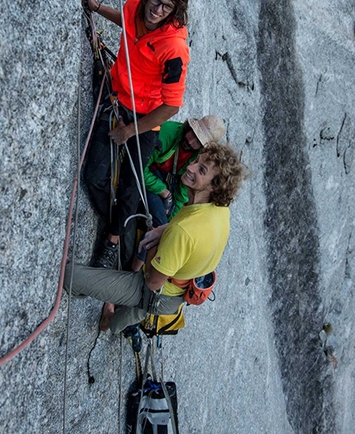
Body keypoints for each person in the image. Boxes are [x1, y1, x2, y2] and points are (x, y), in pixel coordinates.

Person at [64, 141, 248, 334]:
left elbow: (152, 282)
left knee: (70, 277)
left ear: (214, 188)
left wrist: (158, 244)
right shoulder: (220, 210)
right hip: (176, 291)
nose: (190, 167)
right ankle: (112, 324)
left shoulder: (184, 233)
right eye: (196, 161)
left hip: (156, 291)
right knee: (133, 313)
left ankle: (110, 319)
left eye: (201, 170)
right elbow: (191, 235)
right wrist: (164, 230)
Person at [82, 0, 190, 269]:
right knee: (94, 176)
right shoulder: (134, 5)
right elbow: (126, 19)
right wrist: (96, 7)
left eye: (166, 7)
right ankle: (118, 216)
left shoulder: (174, 50)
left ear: (174, 11)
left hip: (146, 117)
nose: (157, 9)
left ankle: (113, 239)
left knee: (131, 184)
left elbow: (171, 106)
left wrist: (130, 131)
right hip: (117, 96)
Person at [144, 114, 225, 227]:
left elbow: (182, 193)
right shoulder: (167, 134)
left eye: (198, 141)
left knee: (166, 222)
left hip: (164, 181)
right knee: (159, 222)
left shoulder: (196, 157)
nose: (190, 141)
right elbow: (140, 167)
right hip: (148, 176)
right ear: (190, 127)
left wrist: (171, 223)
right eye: (193, 133)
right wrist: (163, 191)